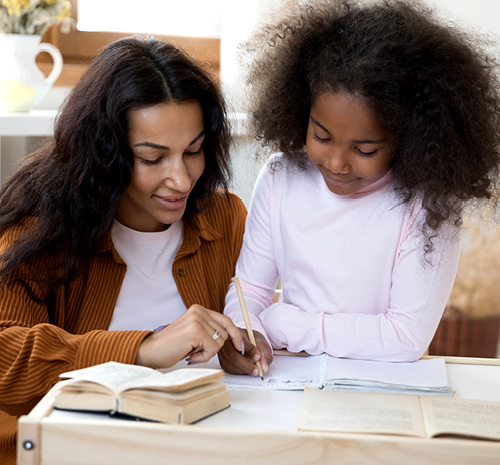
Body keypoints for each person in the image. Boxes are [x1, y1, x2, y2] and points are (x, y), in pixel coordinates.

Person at [218, 0, 500, 377]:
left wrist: (289, 324)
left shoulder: (427, 206)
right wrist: (245, 332)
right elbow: (249, 290)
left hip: (381, 387)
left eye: (365, 150)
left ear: (407, 138)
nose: (336, 163)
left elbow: (405, 336)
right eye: (321, 135)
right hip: (286, 377)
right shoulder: (280, 177)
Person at [0, 36, 246, 463]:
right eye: (153, 158)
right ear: (104, 155)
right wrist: (141, 348)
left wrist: (250, 336)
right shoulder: (37, 230)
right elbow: (5, 357)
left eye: (193, 151)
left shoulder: (225, 218)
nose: (182, 180)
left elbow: (256, 310)